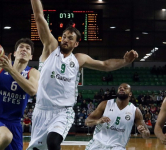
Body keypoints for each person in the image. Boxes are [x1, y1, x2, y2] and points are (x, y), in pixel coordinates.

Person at [28, 1, 138, 150]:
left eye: (70, 38)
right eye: (64, 36)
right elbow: (39, 17)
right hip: (41, 110)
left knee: (53, 142)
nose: (66, 39)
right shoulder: (50, 48)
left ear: (76, 44)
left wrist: (124, 61)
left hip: (63, 111)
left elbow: (105, 65)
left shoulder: (79, 59)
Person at [0, 39, 40, 150]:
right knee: (6, 136)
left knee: (8, 136)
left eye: (28, 48)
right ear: (15, 53)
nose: (24, 49)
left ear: (31, 56)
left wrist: (11, 70)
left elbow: (32, 90)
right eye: (21, 47)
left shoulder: (33, 72)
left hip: (15, 124)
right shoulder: (2, 67)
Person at [85, 83, 150, 150]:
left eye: (125, 88)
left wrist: (144, 132)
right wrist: (98, 121)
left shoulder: (135, 111)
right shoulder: (105, 104)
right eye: (120, 88)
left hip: (118, 147)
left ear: (130, 94)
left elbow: (147, 134)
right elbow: (87, 121)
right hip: (98, 145)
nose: (122, 88)